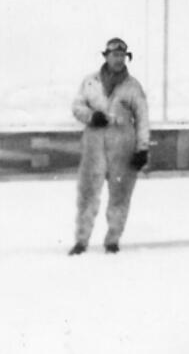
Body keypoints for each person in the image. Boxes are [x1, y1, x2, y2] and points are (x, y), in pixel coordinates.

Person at [69, 37, 150, 255]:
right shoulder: (90, 82)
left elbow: (142, 118)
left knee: (120, 194)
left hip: (123, 144)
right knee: (87, 193)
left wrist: (142, 148)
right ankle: (81, 241)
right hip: (94, 144)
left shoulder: (133, 86)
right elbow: (77, 106)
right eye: (114, 55)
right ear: (106, 56)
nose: (119, 59)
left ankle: (112, 240)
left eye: (122, 55)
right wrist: (90, 116)